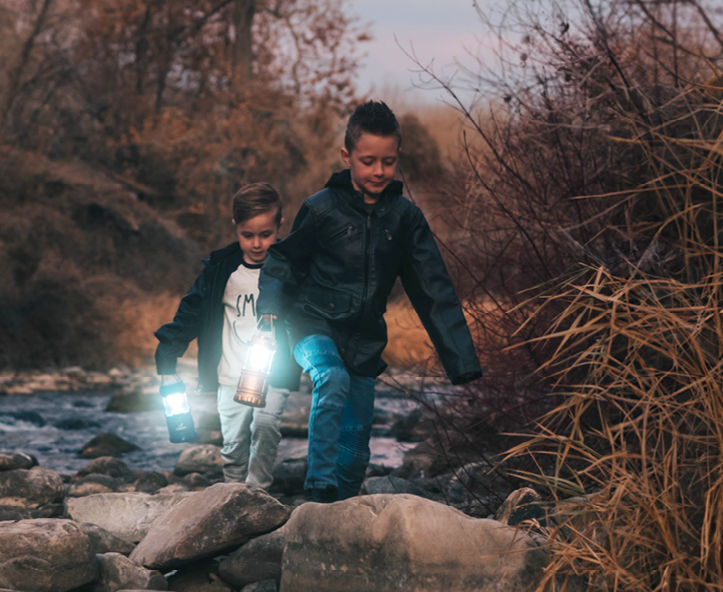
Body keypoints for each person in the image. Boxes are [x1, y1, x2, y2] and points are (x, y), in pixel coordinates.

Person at [257, 101, 482, 503]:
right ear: (347, 157)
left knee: (358, 436)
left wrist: (461, 362)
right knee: (332, 378)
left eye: (388, 161)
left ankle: (343, 504)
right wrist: (270, 310)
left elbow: (434, 289)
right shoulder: (320, 207)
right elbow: (283, 258)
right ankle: (318, 487)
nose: (379, 171)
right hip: (311, 324)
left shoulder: (406, 219)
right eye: (368, 161)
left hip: (363, 337)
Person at [154, 183, 302, 488]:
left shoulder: (291, 268)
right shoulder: (221, 270)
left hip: (274, 371)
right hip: (229, 373)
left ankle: (259, 490)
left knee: (265, 425)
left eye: (266, 234)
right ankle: (233, 493)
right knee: (233, 443)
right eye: (248, 235)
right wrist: (167, 356)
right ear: (235, 227)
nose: (257, 244)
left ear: (280, 226)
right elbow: (191, 313)